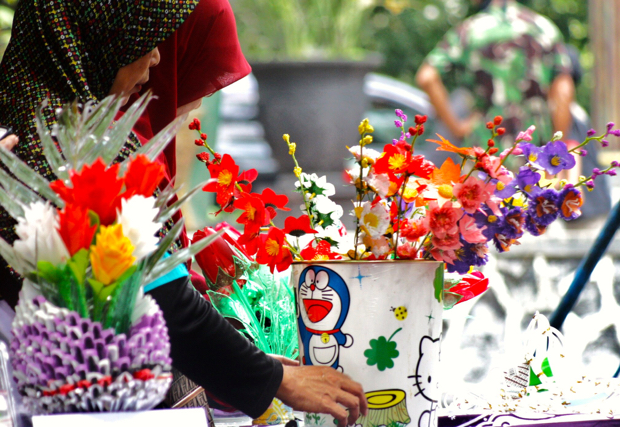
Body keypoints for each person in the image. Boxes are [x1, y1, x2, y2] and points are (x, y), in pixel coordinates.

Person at [0, 1, 367, 425]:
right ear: (100, 36)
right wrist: (271, 381)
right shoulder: (82, 154)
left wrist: (237, 364)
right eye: (144, 39)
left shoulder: (20, 125)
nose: (157, 59)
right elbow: (163, 298)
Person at [415, 0, 575, 150]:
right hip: (534, 154)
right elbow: (563, 91)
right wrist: (556, 149)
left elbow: (427, 77)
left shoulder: (469, 30)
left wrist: (456, 128)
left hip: (484, 152)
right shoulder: (544, 28)